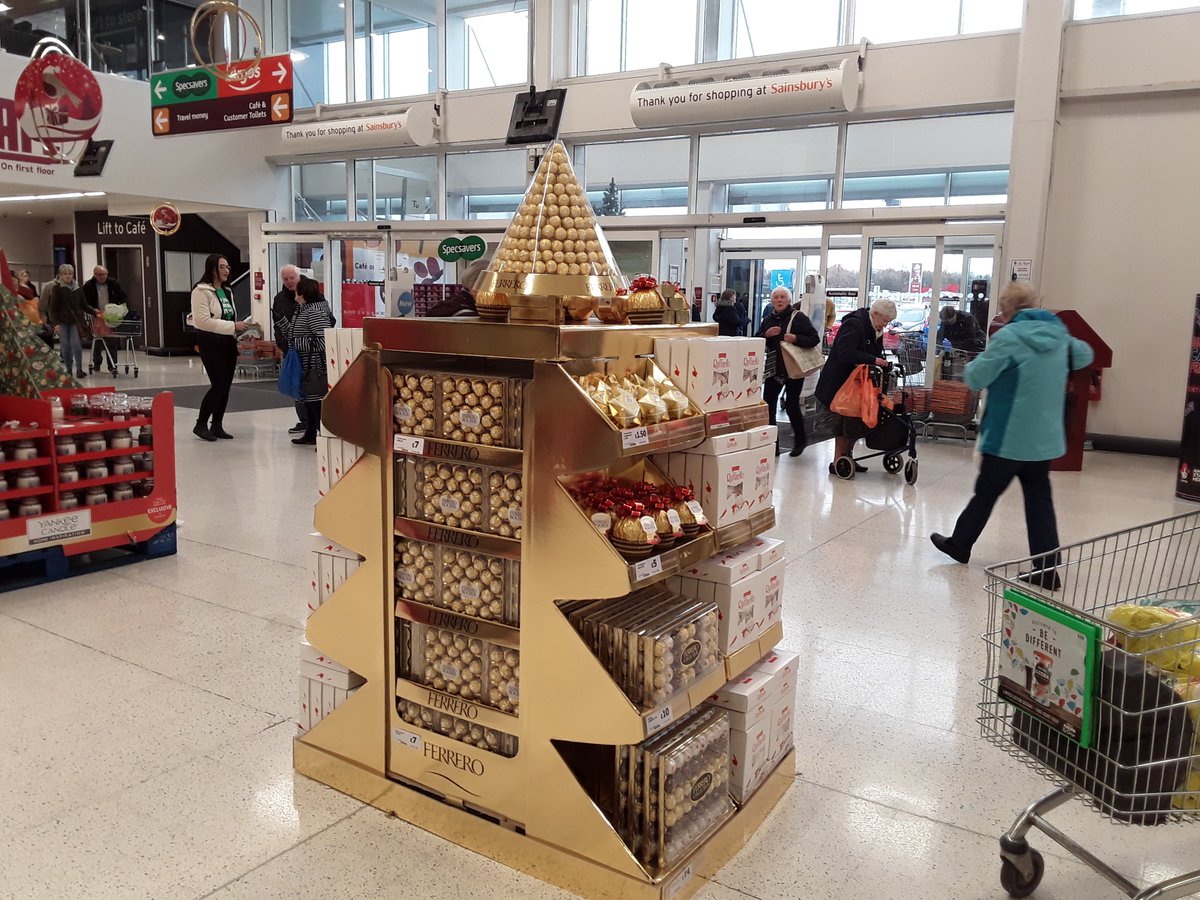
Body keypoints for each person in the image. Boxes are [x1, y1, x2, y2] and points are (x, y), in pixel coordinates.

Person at [930, 282, 1095, 590]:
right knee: (1039, 502)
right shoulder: (1060, 335)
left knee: (986, 493)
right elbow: (1085, 355)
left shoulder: (1009, 337)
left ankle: (960, 544)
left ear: (1007, 311)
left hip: (1008, 437)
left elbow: (976, 376)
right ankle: (1047, 569)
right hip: (1043, 440)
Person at [813, 298, 897, 476]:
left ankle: (846, 458)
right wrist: (874, 360)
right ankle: (838, 462)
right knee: (841, 424)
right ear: (874, 314)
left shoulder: (873, 328)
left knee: (851, 423)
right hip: (839, 384)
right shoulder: (854, 325)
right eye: (884, 321)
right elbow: (845, 353)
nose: (885, 325)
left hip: (855, 384)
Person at [190, 254, 249, 441]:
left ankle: (217, 424)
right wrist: (233, 326)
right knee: (219, 384)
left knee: (226, 385)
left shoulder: (227, 291)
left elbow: (228, 315)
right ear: (212, 268)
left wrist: (236, 328)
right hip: (210, 341)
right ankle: (201, 424)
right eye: (222, 267)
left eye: (228, 267)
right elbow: (202, 321)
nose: (226, 270)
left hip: (228, 341)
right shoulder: (201, 291)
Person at [757, 286, 820, 457]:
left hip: (793, 367)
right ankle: (773, 445)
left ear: (789, 300)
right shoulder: (768, 319)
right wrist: (766, 334)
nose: (779, 300)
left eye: (782, 297)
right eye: (776, 297)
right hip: (773, 368)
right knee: (768, 406)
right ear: (771, 301)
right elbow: (757, 340)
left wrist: (796, 338)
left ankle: (800, 440)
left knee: (792, 405)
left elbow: (814, 338)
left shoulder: (798, 318)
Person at [290, 276, 336, 446]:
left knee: (315, 401)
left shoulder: (313, 312)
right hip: (306, 364)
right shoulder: (304, 309)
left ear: (302, 293)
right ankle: (310, 433)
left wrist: (298, 343)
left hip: (315, 366)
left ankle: (322, 435)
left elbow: (323, 340)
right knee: (308, 400)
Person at [271, 264, 309, 434]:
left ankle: (315, 420)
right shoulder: (279, 299)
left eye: (292, 278)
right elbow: (277, 325)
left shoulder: (311, 292)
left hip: (310, 350)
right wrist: (283, 345)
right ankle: (304, 420)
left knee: (311, 385)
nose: (289, 282)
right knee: (295, 385)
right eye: (285, 279)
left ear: (298, 277)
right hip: (290, 350)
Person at [46, 264, 94, 378]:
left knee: (77, 345)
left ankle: (79, 369)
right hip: (62, 321)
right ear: (60, 276)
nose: (68, 276)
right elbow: (53, 308)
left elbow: (84, 305)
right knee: (66, 346)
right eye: (65, 274)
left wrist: (94, 312)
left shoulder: (78, 288)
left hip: (75, 321)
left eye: (70, 274)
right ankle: (68, 370)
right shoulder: (57, 289)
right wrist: (55, 323)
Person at [82, 265, 129, 373]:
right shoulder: (88, 286)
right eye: (100, 275)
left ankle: (112, 365)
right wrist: (93, 311)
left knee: (112, 341)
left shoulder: (114, 283)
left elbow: (122, 296)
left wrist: (120, 308)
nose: (103, 277)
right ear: (95, 275)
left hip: (111, 315)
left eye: (104, 274)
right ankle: (97, 363)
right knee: (98, 340)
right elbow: (85, 302)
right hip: (97, 314)